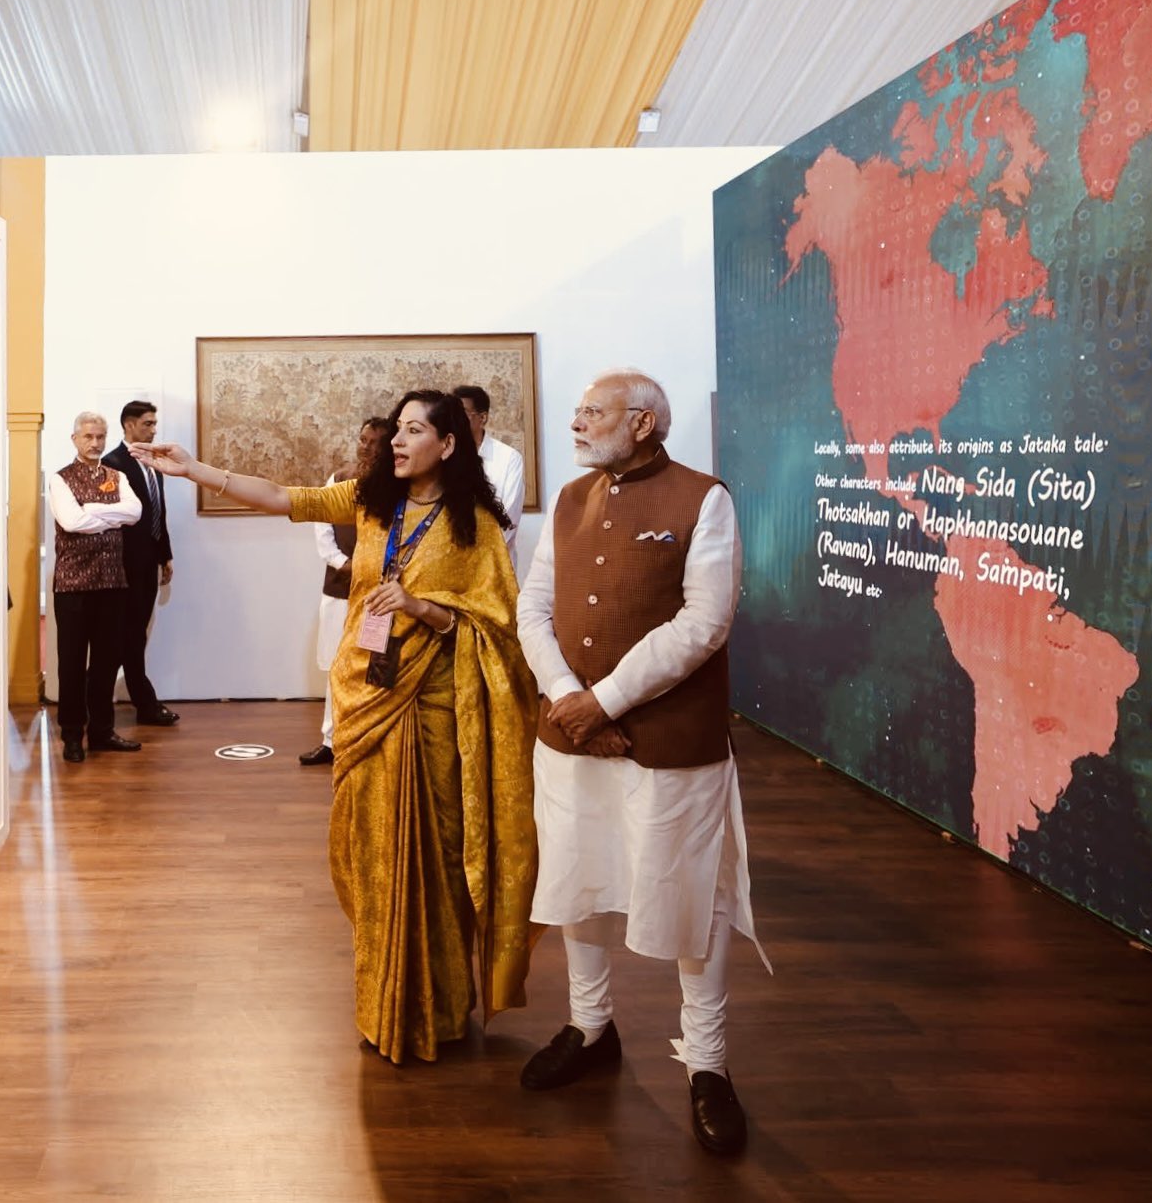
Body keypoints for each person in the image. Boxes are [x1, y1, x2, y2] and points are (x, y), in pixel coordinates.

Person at [133, 390, 538, 1064]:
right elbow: (280, 497)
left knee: (436, 861)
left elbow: (497, 625)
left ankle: (437, 1008)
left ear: (449, 444)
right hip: (366, 705)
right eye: (397, 430)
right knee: (375, 853)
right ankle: (383, 1000)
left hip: (435, 713)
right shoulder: (369, 501)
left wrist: (423, 606)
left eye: (416, 430)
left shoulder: (478, 529)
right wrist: (195, 469)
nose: (399, 442)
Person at [515, 368, 767, 1155]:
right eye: (580, 412)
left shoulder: (704, 498)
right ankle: (590, 1028)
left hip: (671, 743)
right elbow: (534, 607)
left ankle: (709, 1065)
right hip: (569, 733)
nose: (577, 424)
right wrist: (565, 696)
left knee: (690, 895)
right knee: (577, 881)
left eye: (595, 413)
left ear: (646, 424)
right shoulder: (569, 499)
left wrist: (607, 700)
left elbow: (706, 622)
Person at [48, 411, 144, 764]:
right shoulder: (60, 480)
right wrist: (107, 513)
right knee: (72, 664)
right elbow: (71, 521)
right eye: (88, 436)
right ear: (75, 439)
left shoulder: (117, 475)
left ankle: (102, 732)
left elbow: (134, 513)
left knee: (106, 662)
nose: (95, 443)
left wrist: (94, 511)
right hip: (73, 587)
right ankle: (72, 735)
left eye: (101, 437)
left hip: (112, 583)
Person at [301, 416, 394, 767]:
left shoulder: (401, 483)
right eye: (363, 440)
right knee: (337, 666)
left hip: (381, 594)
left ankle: (372, 740)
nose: (367, 448)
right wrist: (346, 563)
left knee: (378, 665)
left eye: (375, 442)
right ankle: (331, 740)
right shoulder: (339, 479)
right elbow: (322, 525)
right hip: (341, 589)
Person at [103, 400, 180, 727]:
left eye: (154, 423)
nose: (153, 429)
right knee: (124, 637)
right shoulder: (112, 463)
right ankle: (134, 704)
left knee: (134, 636)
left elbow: (156, 512)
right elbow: (110, 518)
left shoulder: (152, 463)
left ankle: (138, 703)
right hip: (122, 567)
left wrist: (165, 555)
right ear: (129, 425)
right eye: (148, 423)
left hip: (148, 564)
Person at [454, 384, 526, 562]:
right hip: (451, 561)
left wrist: (477, 556)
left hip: (495, 562)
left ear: (482, 417)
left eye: (461, 413)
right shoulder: (444, 455)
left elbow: (509, 518)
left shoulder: (509, 458)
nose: (454, 421)